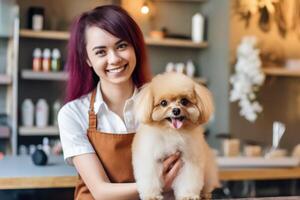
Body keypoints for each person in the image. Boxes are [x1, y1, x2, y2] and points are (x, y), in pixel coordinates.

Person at [58, 5, 182, 200]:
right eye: (100, 52)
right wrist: (156, 185)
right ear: (87, 59)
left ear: (135, 47)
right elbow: (101, 192)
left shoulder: (162, 106)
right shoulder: (72, 114)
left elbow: (176, 170)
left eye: (122, 46)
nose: (114, 59)